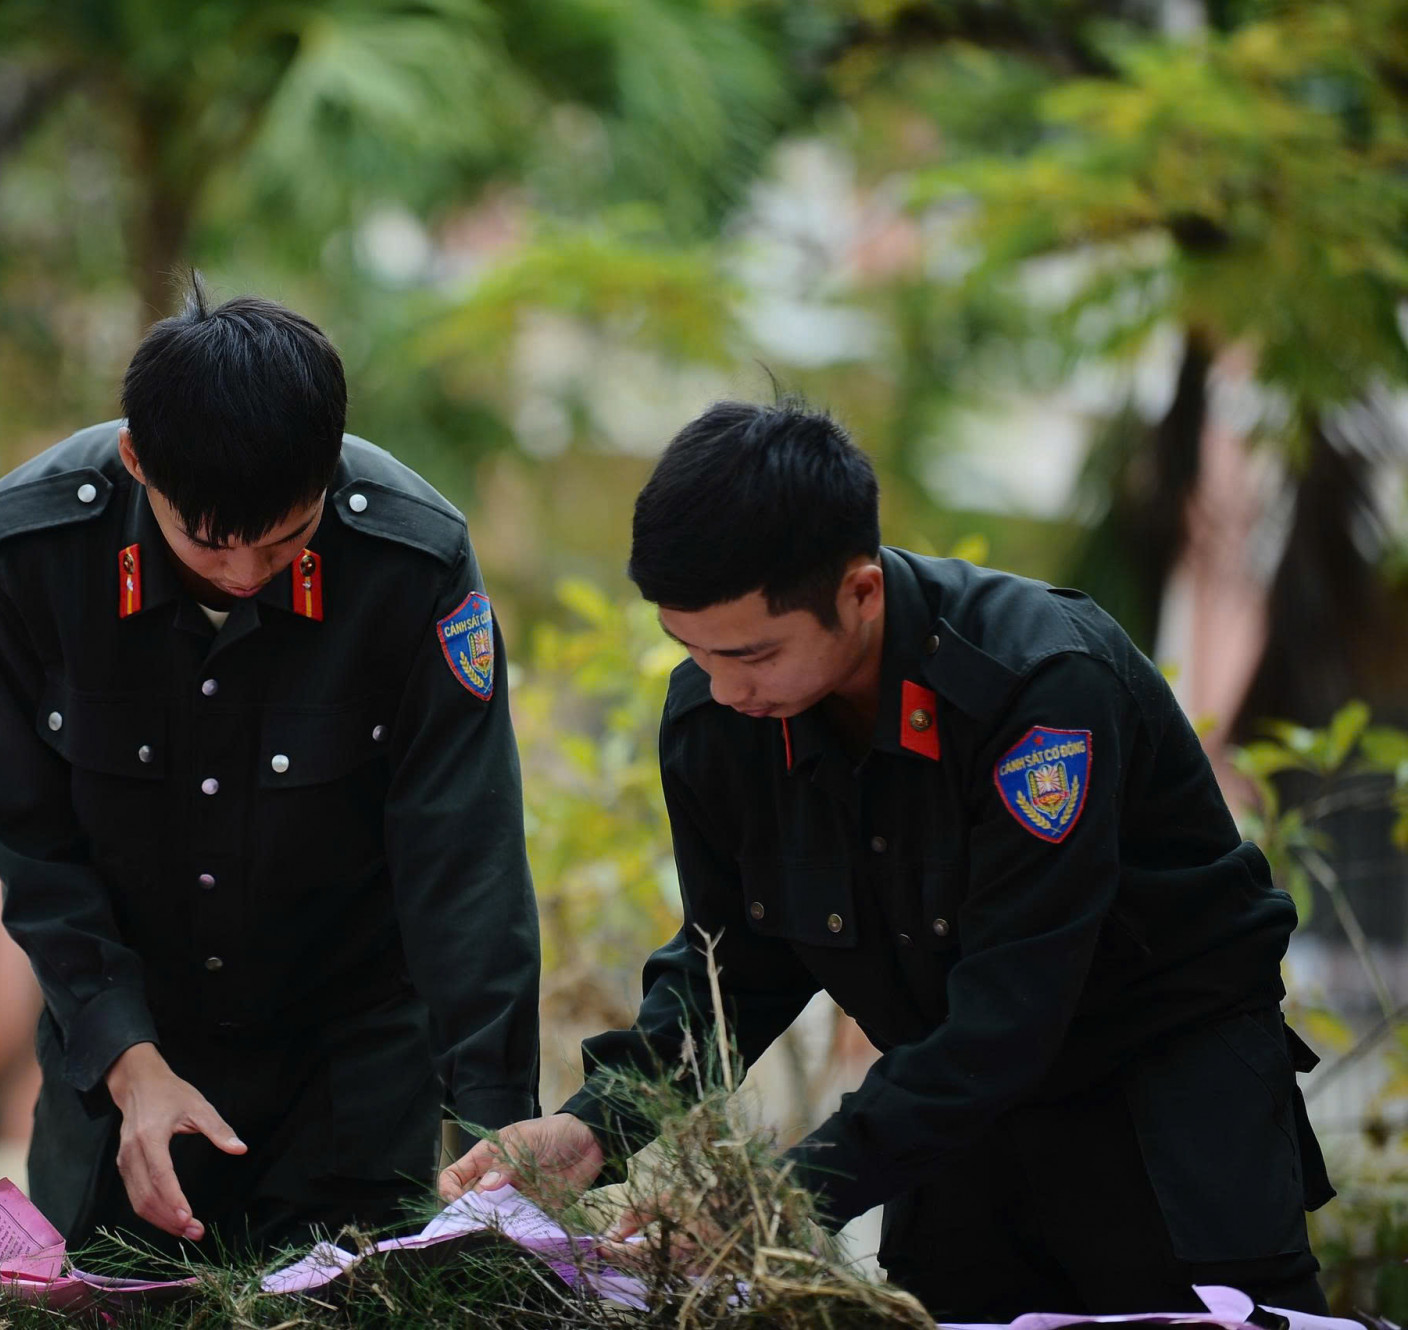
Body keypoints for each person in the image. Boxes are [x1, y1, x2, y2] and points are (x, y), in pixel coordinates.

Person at [439, 399, 1335, 1319]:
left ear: (860, 593)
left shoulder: (1037, 690)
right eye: (691, 649)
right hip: (948, 1104)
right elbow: (731, 965)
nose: (723, 686)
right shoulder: (720, 720)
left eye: (752, 653)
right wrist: (593, 1128)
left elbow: (1014, 1006)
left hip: (1161, 1092)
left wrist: (781, 1197)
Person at [0, 281, 540, 1260]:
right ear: (138, 461)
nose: (241, 576)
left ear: (330, 467)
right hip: (122, 1079)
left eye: (283, 541)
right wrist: (129, 1060)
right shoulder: (31, 551)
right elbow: (27, 836)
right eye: (209, 542)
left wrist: (495, 1127)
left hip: (348, 1073)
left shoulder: (412, 563)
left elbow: (463, 854)